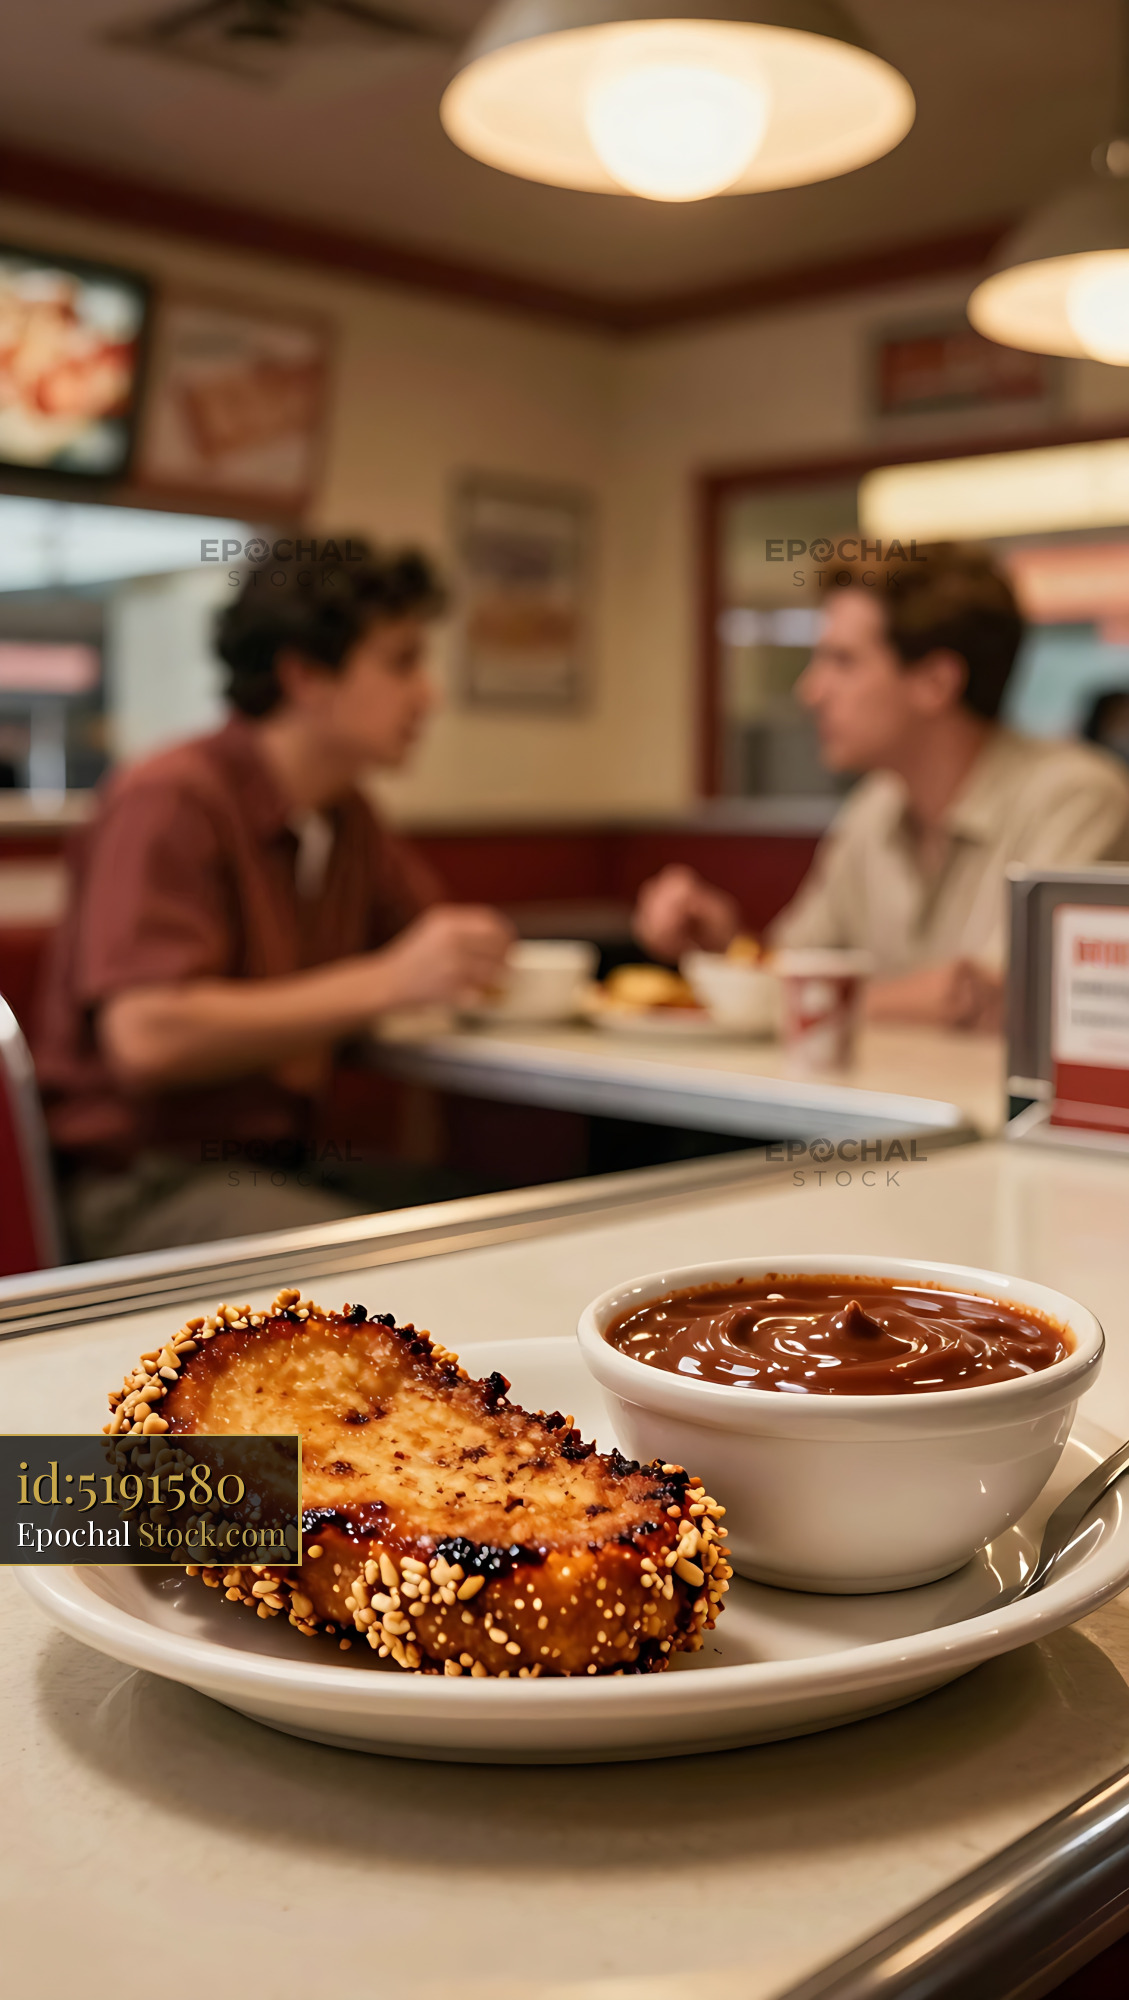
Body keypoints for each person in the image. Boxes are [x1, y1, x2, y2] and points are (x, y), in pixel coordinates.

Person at [35, 545, 514, 1260]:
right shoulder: (170, 798)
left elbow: (435, 955)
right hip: (141, 1187)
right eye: (401, 662)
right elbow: (148, 1036)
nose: (430, 694)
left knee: (520, 1223)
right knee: (429, 1262)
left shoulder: (345, 814)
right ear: (305, 675)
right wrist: (386, 981)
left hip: (280, 1168)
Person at [634, 543, 1129, 1031]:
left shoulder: (1078, 798)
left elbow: (989, 998)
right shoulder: (876, 806)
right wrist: (724, 944)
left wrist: (813, 998)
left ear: (935, 682)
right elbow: (793, 970)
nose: (811, 691)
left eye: (842, 662)